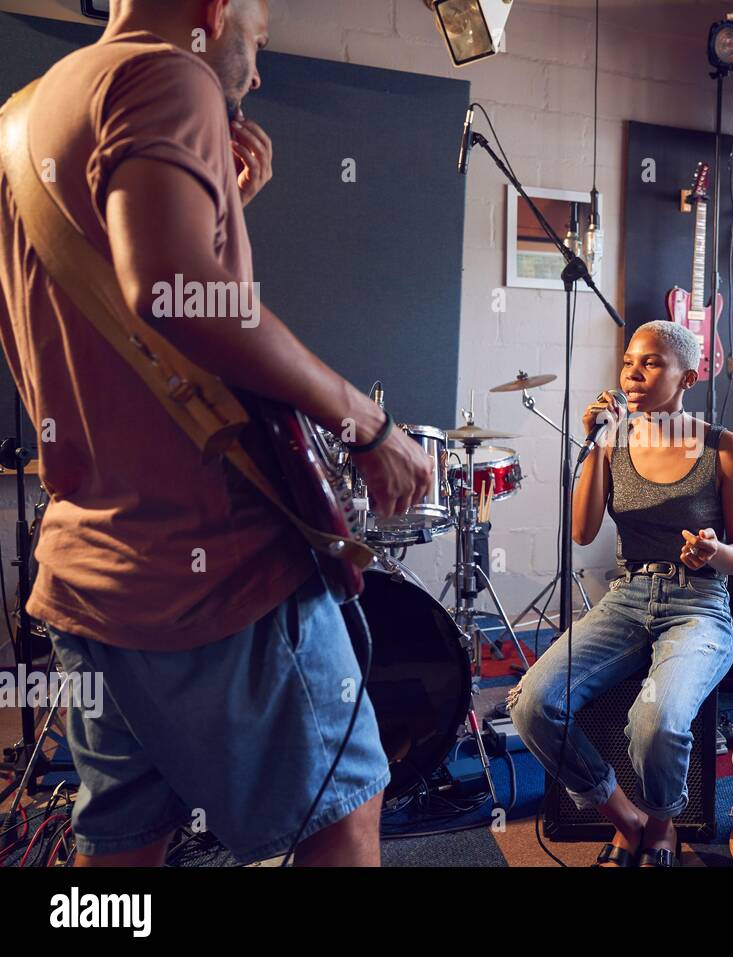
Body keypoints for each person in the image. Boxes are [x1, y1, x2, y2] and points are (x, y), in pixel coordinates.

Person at [0, 0, 431, 865]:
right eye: (260, 40)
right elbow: (167, 288)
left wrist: (224, 212)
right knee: (345, 810)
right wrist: (365, 419)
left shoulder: (22, 119)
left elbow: (122, 318)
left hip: (94, 566)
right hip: (211, 567)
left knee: (124, 838)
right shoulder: (168, 74)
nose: (258, 69)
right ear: (214, 8)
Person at [507, 320, 733, 867]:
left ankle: (663, 823)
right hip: (628, 596)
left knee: (657, 721)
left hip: (700, 604)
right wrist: (599, 442)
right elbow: (582, 531)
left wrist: (714, 552)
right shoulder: (612, 442)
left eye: (651, 363)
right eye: (628, 363)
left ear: (688, 376)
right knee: (531, 705)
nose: (633, 373)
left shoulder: (723, 448)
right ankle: (625, 817)